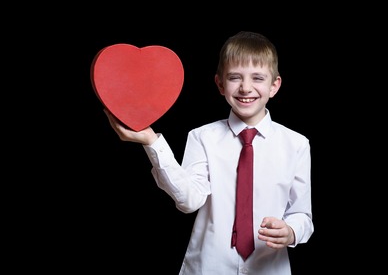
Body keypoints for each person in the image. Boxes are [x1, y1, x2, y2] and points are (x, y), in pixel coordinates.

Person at [104, 31, 314, 274]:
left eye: (257, 78)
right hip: (208, 267)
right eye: (235, 77)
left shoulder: (297, 144)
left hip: (269, 268)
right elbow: (189, 201)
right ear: (220, 84)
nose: (246, 88)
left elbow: (302, 215)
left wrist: (290, 231)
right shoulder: (202, 137)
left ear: (274, 85)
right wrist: (152, 142)